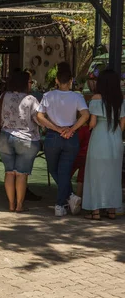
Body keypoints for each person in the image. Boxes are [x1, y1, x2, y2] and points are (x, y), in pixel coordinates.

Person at [36, 62, 90, 217]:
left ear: (56, 81)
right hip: (71, 136)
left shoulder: (48, 95)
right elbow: (85, 115)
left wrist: (56, 128)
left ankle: (63, 202)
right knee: (64, 171)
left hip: (53, 136)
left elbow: (39, 116)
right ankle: (67, 200)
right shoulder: (77, 96)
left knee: (54, 169)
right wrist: (72, 128)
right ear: (71, 80)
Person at [82, 69, 125, 220]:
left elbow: (92, 123)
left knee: (95, 176)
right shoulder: (121, 99)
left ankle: (95, 211)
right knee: (113, 176)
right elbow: (122, 124)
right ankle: (112, 210)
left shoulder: (96, 98)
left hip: (99, 140)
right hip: (115, 140)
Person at [0, 71, 41, 212]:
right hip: (26, 138)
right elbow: (39, 118)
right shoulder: (30, 99)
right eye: (30, 82)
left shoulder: (3, 96)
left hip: (4, 137)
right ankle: (19, 205)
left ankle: (10, 204)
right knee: (21, 174)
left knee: (9, 172)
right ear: (24, 83)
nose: (31, 84)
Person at [70, 124, 91, 198]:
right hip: (86, 155)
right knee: (81, 179)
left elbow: (78, 142)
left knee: (67, 175)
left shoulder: (82, 129)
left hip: (77, 155)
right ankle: (78, 198)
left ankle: (69, 196)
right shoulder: (89, 129)